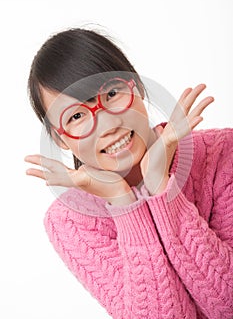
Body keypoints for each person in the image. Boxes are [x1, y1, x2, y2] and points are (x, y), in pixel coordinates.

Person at [25, 27, 233, 319]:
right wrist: (124, 204)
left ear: (138, 87)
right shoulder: (70, 221)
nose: (107, 125)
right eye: (76, 116)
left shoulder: (223, 153)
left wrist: (161, 186)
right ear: (61, 139)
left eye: (111, 93)